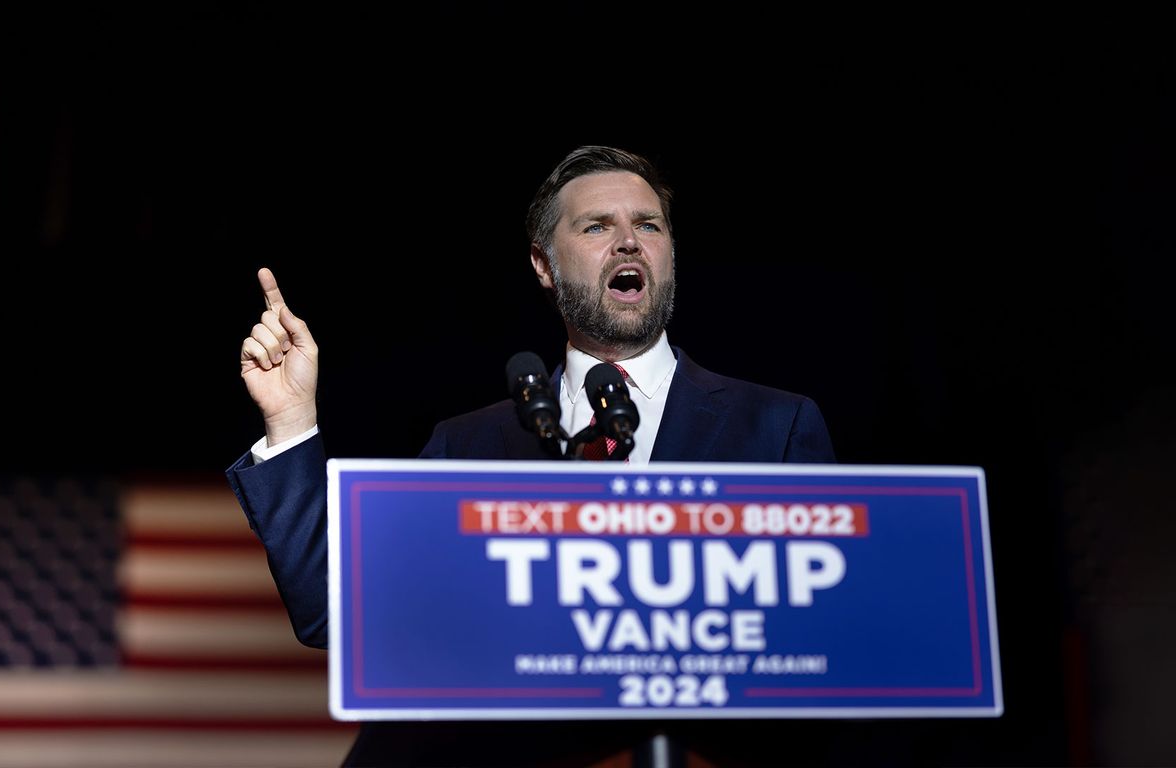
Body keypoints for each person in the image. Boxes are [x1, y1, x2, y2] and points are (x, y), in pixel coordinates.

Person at [226, 145, 836, 767]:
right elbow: (339, 613)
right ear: (544, 265)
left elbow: (824, 643)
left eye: (648, 225)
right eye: (597, 226)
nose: (628, 242)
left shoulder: (774, 427)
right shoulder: (467, 448)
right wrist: (291, 420)